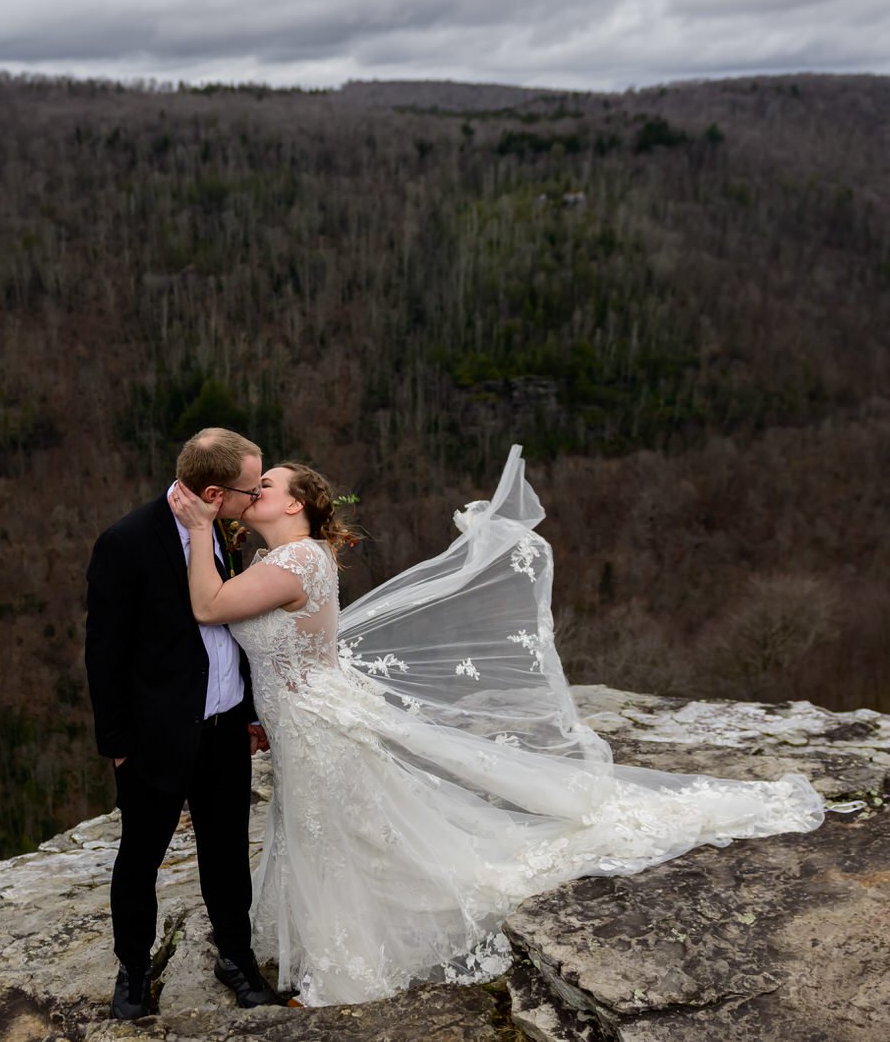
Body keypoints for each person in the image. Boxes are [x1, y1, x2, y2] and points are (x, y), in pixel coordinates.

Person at [168, 445, 827, 1007]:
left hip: (315, 725)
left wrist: (198, 526)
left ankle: (351, 961)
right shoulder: (266, 563)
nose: (256, 491)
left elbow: (207, 605)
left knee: (338, 831)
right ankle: (337, 938)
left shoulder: (301, 561)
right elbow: (278, 649)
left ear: (295, 504)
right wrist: (256, 710)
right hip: (293, 719)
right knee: (336, 828)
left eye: (268, 485)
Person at [85, 427, 284, 1019]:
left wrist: (248, 710)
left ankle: (235, 958)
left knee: (225, 854)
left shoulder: (222, 530)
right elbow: (104, 652)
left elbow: (234, 628)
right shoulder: (126, 541)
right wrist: (118, 744)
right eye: (252, 488)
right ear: (216, 492)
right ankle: (133, 970)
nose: (258, 498)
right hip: (154, 739)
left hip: (224, 730)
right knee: (140, 856)